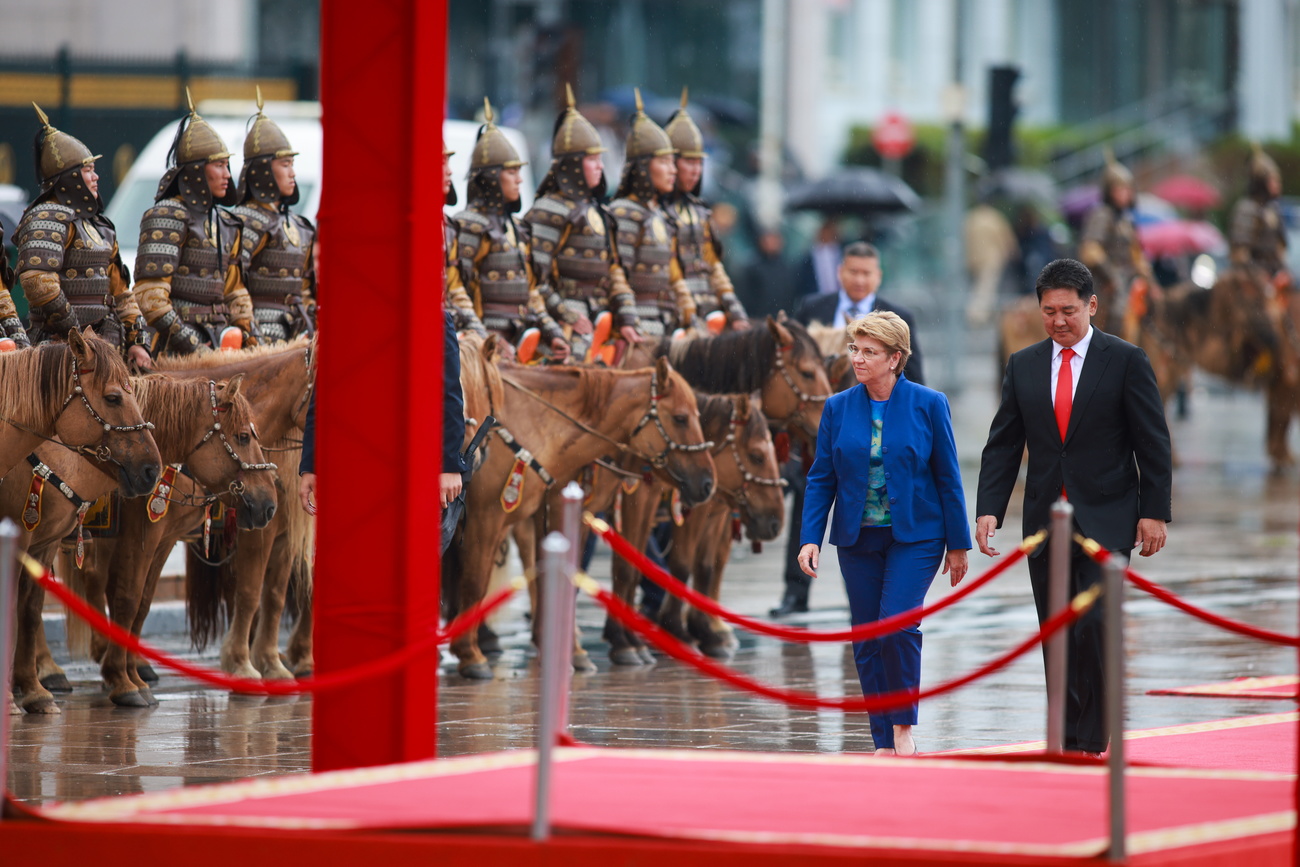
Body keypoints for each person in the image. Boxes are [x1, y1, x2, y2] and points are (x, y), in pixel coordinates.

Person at [975, 257, 1172, 757]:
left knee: (1095, 628)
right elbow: (1003, 444)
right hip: (1046, 524)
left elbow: (1152, 442)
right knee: (1057, 630)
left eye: (1067, 310)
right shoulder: (1023, 365)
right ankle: (1065, 737)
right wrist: (989, 510)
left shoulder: (1126, 360)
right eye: (1048, 311)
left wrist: (1154, 511)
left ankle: (1093, 735)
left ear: (1092, 306)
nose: (1058, 321)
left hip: (1108, 518)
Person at [797, 311, 970, 756]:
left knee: (897, 626)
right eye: (855, 349)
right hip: (858, 539)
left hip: (917, 536)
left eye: (869, 352)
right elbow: (821, 477)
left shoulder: (929, 403)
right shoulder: (837, 407)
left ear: (895, 358)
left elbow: (948, 476)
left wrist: (958, 544)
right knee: (867, 636)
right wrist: (810, 537)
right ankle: (882, 741)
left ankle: (902, 726)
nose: (858, 358)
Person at [11, 104, 150, 364]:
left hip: (105, 347)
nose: (96, 177)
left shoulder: (100, 225)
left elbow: (121, 293)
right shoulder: (47, 217)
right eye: (88, 171)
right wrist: (77, 336)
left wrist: (137, 340)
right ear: (69, 178)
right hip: (57, 350)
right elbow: (38, 282)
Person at [301, 309, 468, 516]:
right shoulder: (347, 316)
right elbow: (324, 397)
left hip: (411, 462)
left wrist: (449, 466)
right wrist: (311, 465)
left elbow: (449, 395)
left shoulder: (433, 318)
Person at [132, 92, 257, 357]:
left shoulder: (226, 222)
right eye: (220, 165)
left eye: (228, 165)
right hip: (173, 349)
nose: (227, 175)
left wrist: (247, 335)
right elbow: (150, 298)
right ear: (197, 171)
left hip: (221, 341)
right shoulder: (167, 215)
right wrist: (193, 347)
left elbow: (234, 290)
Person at [522, 84, 638, 362]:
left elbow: (613, 271)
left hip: (602, 319)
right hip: (563, 325)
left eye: (600, 158)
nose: (600, 165)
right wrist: (566, 315)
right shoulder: (549, 210)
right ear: (573, 164)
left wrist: (626, 315)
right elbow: (533, 278)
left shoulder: (599, 211)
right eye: (592, 159)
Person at [454, 98, 567, 362]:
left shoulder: (517, 228)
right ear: (492, 177)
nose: (519, 179)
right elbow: (459, 293)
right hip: (482, 349)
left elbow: (531, 292)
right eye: (511, 172)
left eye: (519, 171)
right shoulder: (469, 225)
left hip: (521, 342)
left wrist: (553, 333)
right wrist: (485, 340)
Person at [607, 88, 697, 339]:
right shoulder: (623, 213)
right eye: (664, 163)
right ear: (644, 169)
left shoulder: (659, 214)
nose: (673, 171)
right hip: (633, 327)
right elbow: (617, 272)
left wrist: (690, 313)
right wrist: (627, 319)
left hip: (664, 320)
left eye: (672, 162)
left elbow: (674, 274)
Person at [229, 92, 316, 344]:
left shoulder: (298, 224)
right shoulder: (244, 220)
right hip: (259, 330)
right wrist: (251, 332)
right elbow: (233, 285)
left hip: (300, 329)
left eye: (292, 164)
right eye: (285, 165)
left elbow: (307, 287)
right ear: (264, 170)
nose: (293, 173)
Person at [663, 88, 748, 332]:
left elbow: (714, 269)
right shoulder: (650, 213)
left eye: (699, 162)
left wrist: (736, 312)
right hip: (664, 318)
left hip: (706, 317)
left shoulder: (700, 213)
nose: (695, 170)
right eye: (688, 162)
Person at [795, 242, 924, 385]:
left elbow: (913, 378)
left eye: (866, 273)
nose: (859, 280)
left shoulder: (898, 318)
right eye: (853, 272)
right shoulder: (812, 308)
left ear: (878, 276)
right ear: (840, 272)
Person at [1077, 152, 1154, 340]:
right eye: (1118, 189)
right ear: (1109, 192)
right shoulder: (1102, 215)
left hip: (1130, 279)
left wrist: (1148, 278)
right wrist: (1112, 275)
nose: (1123, 194)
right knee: (1120, 309)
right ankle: (1108, 349)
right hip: (1105, 282)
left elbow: (1136, 255)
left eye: (1126, 189)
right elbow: (1090, 250)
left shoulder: (1126, 220)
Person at [1229, 143, 1288, 284]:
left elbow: (1280, 248)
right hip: (1251, 280)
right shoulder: (1246, 209)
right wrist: (1258, 276)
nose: (1278, 185)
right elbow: (1240, 254)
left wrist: (1282, 272)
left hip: (1275, 276)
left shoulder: (1273, 209)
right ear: (1262, 182)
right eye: (1274, 180)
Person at [738, 228, 796, 319]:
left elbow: (790, 295)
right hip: (759, 320)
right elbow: (746, 298)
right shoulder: (752, 267)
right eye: (768, 239)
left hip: (782, 318)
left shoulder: (786, 266)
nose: (771, 243)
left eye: (775, 239)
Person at [794, 218, 842, 299]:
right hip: (817, 296)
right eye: (824, 232)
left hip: (837, 296)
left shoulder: (839, 252)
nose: (826, 235)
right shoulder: (811, 255)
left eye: (829, 233)